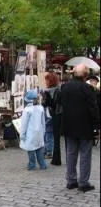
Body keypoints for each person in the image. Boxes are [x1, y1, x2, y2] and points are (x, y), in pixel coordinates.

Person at [61, 64, 99, 192]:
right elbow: (93, 109)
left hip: (69, 126)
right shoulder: (87, 88)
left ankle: (71, 181)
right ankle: (83, 182)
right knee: (85, 155)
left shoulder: (65, 87)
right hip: (85, 126)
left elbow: (61, 105)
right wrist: (97, 126)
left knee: (70, 154)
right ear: (85, 75)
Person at [20, 90, 47, 170]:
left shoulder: (27, 110)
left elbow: (24, 124)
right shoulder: (41, 108)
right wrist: (43, 131)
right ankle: (42, 164)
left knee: (31, 149)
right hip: (39, 132)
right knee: (39, 148)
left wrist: (22, 134)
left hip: (30, 132)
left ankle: (32, 164)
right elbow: (43, 122)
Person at [42, 72, 63, 165]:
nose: (45, 82)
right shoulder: (59, 89)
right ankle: (55, 157)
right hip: (59, 114)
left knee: (52, 135)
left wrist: (43, 98)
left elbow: (47, 104)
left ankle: (55, 158)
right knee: (55, 137)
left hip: (53, 115)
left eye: (46, 80)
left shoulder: (49, 91)